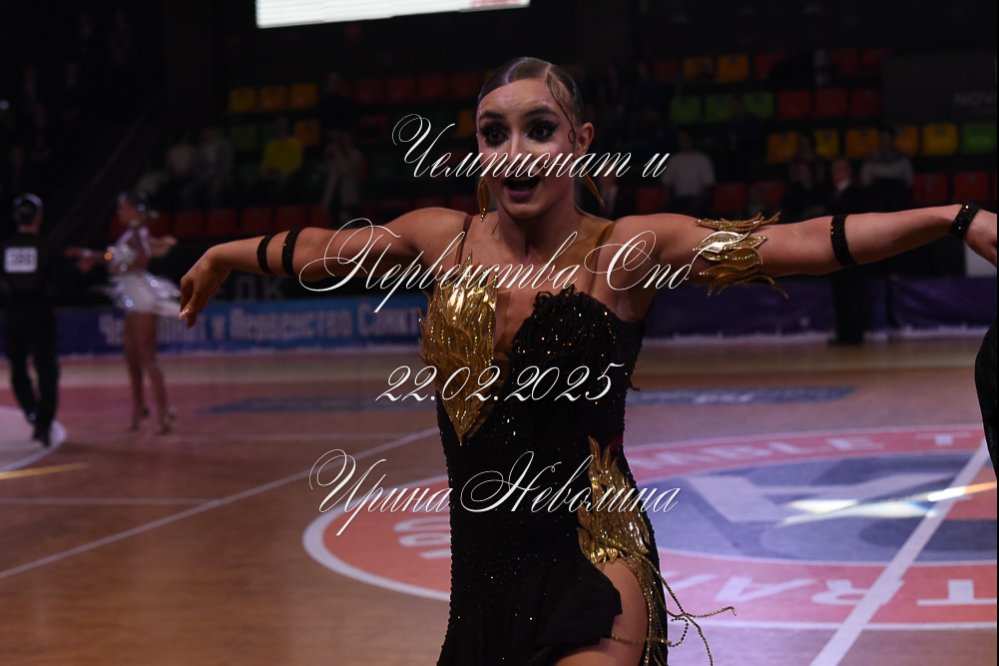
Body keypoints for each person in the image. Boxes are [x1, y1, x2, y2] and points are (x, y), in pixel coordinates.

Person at [176, 58, 997, 666]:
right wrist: (219, 254)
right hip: (481, 576)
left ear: (579, 141)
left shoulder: (626, 252)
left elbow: (803, 244)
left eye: (539, 128)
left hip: (593, 554)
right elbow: (317, 251)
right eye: (493, 133)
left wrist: (952, 218)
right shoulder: (440, 240)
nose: (515, 151)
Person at [68, 190, 179, 434]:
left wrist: (120, 265)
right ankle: (139, 406)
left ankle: (164, 413)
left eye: (122, 207)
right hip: (131, 296)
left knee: (147, 356)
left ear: (134, 210)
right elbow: (117, 257)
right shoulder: (131, 234)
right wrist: (92, 257)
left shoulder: (138, 233)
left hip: (140, 295)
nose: (119, 212)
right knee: (131, 355)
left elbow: (142, 257)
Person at [0, 194, 60, 446]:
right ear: (39, 217)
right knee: (46, 369)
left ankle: (32, 412)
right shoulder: (46, 247)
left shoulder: (5, 248)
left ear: (16, 217)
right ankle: (43, 423)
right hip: (39, 312)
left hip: (13, 313)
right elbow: (58, 283)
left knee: (18, 369)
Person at [660, 130, 714, 217]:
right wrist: (666, 201)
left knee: (695, 208)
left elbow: (708, 184)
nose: (683, 142)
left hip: (697, 199)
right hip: (679, 200)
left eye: (686, 139)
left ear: (692, 140)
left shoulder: (702, 159)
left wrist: (705, 201)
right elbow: (667, 183)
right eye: (681, 140)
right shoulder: (674, 159)